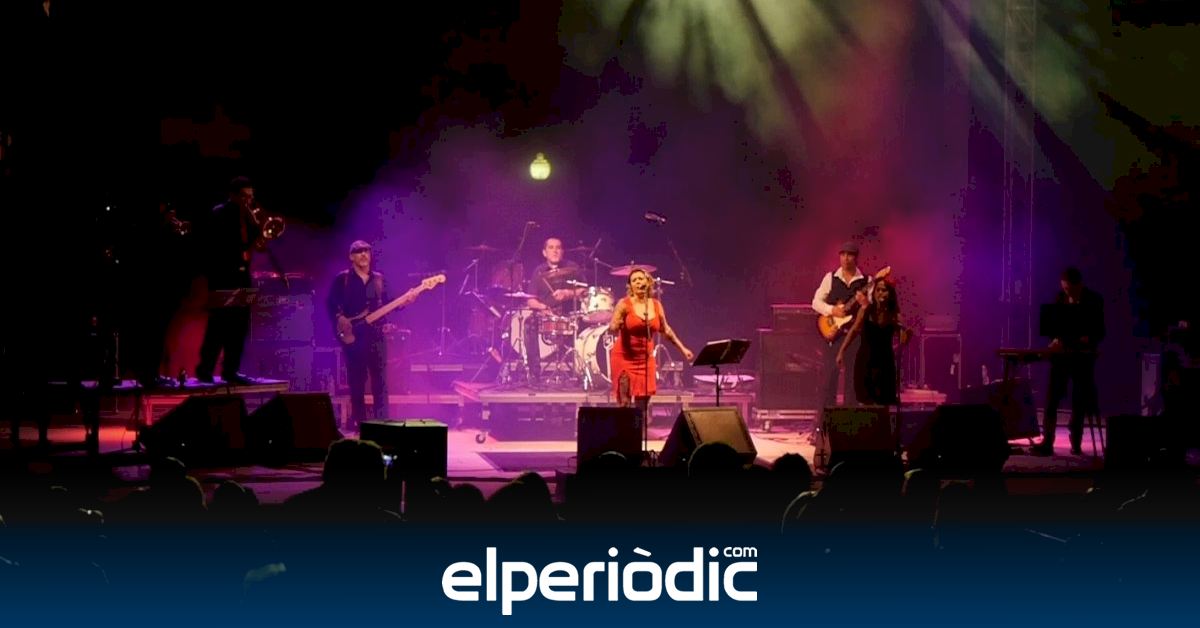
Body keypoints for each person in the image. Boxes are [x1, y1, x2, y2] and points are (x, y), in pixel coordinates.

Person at [1030, 267, 1104, 456]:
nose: (1067, 292)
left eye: (1070, 289)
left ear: (1079, 285)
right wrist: (1055, 339)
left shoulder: (1094, 300)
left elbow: (1099, 331)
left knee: (1079, 399)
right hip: (1062, 356)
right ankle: (1047, 441)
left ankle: (1076, 441)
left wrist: (1085, 339)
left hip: (1082, 358)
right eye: (1064, 289)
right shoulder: (1060, 298)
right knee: (1051, 398)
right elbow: (1056, 325)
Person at [195, 176, 262, 385]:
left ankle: (231, 370)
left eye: (250, 196)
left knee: (240, 325)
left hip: (242, 274)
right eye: (244, 196)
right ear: (233, 195)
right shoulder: (220, 213)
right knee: (219, 324)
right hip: (223, 275)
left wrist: (253, 220)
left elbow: (256, 239)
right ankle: (205, 369)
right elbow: (216, 244)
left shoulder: (249, 216)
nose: (248, 200)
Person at [607, 268, 694, 418]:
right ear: (630, 286)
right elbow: (613, 327)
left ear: (648, 282)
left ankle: (639, 429)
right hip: (624, 357)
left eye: (641, 279)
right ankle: (624, 430)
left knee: (643, 405)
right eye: (634, 280)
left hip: (645, 359)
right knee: (624, 403)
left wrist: (683, 349)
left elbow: (666, 330)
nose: (638, 282)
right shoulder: (624, 304)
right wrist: (614, 327)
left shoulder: (656, 305)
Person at [327, 240, 392, 428]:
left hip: (376, 335)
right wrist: (340, 318)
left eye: (366, 251)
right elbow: (330, 303)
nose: (363, 254)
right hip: (354, 336)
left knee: (380, 381)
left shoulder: (379, 279)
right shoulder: (343, 279)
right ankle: (360, 423)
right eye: (358, 251)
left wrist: (406, 301)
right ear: (351, 256)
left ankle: (382, 423)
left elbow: (390, 302)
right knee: (357, 381)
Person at [812, 241, 871, 407]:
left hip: (855, 337)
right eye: (843, 254)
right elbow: (815, 303)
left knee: (853, 381)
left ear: (856, 258)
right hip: (834, 335)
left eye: (850, 255)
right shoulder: (830, 278)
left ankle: (849, 419)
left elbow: (872, 310)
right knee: (828, 380)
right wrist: (832, 310)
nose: (845, 258)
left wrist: (866, 303)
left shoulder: (866, 281)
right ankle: (825, 420)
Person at [837, 277, 910, 405]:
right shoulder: (866, 310)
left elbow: (905, 337)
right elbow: (853, 331)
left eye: (884, 290)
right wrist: (841, 351)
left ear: (890, 294)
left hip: (885, 363)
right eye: (878, 290)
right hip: (865, 362)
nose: (880, 293)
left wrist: (901, 343)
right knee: (866, 401)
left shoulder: (894, 315)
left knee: (883, 402)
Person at [524, 237, 584, 380]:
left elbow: (585, 290)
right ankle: (534, 372)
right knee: (528, 323)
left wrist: (568, 293)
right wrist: (542, 307)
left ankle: (580, 370)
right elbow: (530, 300)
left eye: (558, 247)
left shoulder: (572, 267)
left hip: (570, 314)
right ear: (544, 253)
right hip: (547, 314)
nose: (555, 251)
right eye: (551, 248)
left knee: (585, 321)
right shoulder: (539, 271)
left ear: (562, 251)